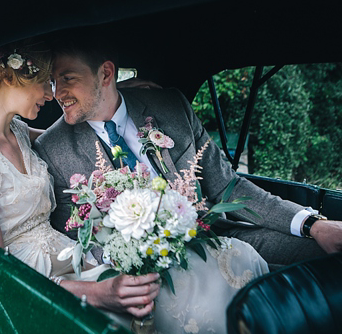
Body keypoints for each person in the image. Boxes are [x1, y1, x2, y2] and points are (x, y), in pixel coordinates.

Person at [33, 33, 342, 270]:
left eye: (67, 79)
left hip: (221, 235)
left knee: (321, 256)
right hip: (152, 269)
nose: (57, 93)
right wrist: (142, 261)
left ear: (105, 73)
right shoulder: (53, 148)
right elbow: (79, 237)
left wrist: (312, 224)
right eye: (53, 81)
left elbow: (228, 188)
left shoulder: (171, 107)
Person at [0, 40, 161, 329]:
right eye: (44, 82)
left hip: (68, 258)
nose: (51, 95)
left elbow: (71, 130)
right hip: (30, 287)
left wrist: (115, 92)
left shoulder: (16, 130)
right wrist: (96, 294)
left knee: (154, 294)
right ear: (12, 77)